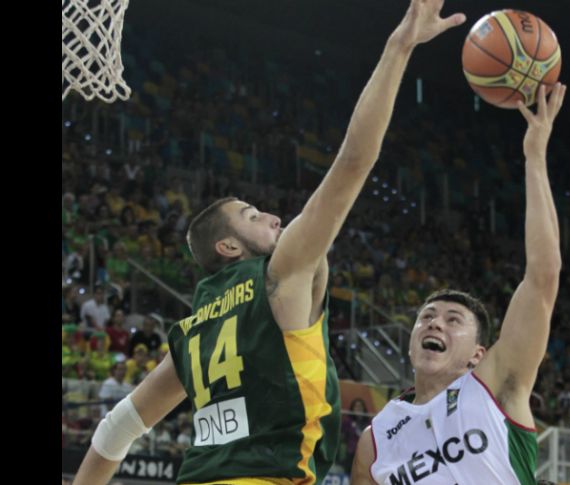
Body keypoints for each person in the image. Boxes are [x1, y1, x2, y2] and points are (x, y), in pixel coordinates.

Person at [72, 1, 467, 484]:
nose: (274, 216)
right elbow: (352, 163)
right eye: (252, 215)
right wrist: (399, 47)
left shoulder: (193, 332)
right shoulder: (282, 272)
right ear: (229, 248)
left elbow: (114, 432)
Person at [351, 83, 567, 484]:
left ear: (477, 354)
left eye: (453, 320)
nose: (435, 323)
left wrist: (535, 157)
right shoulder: (375, 438)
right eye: (427, 317)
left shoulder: (496, 382)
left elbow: (543, 276)